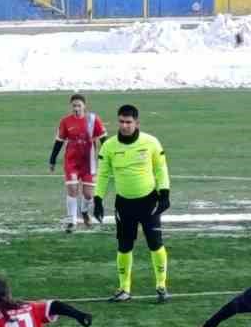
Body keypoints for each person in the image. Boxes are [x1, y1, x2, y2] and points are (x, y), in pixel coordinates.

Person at [92, 104, 171, 303]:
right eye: (121, 121)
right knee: (124, 246)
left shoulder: (151, 142)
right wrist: (98, 199)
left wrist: (165, 193)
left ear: (137, 123)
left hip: (149, 202)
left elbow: (161, 169)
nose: (125, 125)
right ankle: (124, 289)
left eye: (129, 122)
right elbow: (103, 174)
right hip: (124, 204)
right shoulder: (109, 146)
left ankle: (161, 286)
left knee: (155, 244)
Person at [50, 93, 106, 233]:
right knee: (73, 190)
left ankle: (85, 211)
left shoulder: (93, 120)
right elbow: (59, 142)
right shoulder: (65, 122)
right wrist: (52, 159)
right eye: (74, 105)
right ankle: (72, 221)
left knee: (88, 194)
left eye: (79, 105)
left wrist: (107, 157)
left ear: (84, 106)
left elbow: (105, 140)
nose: (76, 108)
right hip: (72, 162)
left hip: (89, 163)